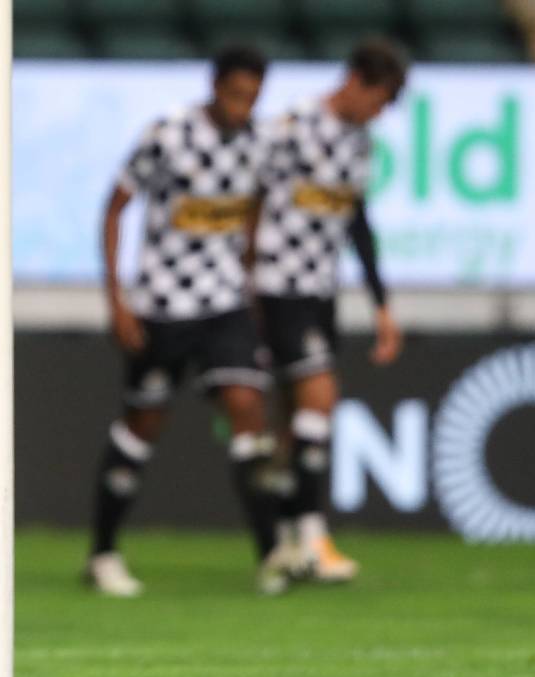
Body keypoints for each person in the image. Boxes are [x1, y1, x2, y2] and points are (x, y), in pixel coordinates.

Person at [87, 46, 290, 598]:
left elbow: (251, 212)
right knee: (143, 425)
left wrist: (249, 286)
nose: (243, 105)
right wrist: (117, 299)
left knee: (248, 407)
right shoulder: (168, 135)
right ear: (215, 85)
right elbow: (115, 206)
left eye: (252, 97)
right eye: (235, 93)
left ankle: (273, 552)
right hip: (162, 307)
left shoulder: (260, 142)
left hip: (224, 307)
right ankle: (103, 552)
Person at [252, 38, 407, 582]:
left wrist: (381, 304)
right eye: (380, 99)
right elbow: (248, 201)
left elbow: (357, 223)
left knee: (296, 421)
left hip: (320, 291)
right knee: (320, 395)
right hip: (275, 285)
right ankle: (313, 536)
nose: (380, 112)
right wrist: (244, 283)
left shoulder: (360, 144)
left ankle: (288, 535)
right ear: (356, 81)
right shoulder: (289, 129)